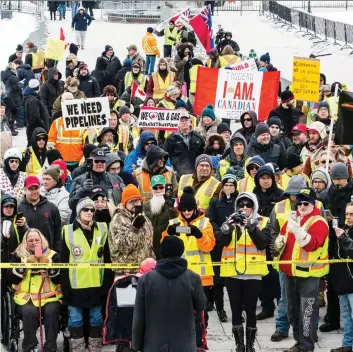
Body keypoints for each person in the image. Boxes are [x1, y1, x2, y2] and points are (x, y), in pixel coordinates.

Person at [273, 187, 329, 352]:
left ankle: (306, 345)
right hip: (290, 274)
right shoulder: (294, 219)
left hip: (308, 276)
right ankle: (299, 342)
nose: (302, 207)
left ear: (313, 204)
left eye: (306, 203)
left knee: (307, 314)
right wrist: (279, 243)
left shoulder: (318, 222)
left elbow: (311, 245)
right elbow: (279, 243)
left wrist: (298, 231)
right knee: (293, 312)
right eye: (299, 204)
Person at [162, 186, 215, 350]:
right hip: (178, 277)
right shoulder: (173, 223)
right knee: (180, 314)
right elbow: (163, 249)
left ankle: (199, 345)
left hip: (201, 278)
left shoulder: (205, 222)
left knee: (201, 315)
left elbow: (209, 246)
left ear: (195, 208)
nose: (186, 212)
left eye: (189, 209)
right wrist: (168, 235)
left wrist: (199, 235)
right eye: (183, 209)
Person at [132, 235, 207, 352]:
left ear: (161, 252)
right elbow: (201, 305)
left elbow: (138, 316)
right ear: (181, 251)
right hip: (184, 344)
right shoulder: (193, 278)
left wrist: (136, 344)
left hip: (153, 344)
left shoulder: (145, 280)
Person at [220, 192, 271, 351]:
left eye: (248, 205)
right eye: (241, 205)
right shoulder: (231, 220)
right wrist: (226, 229)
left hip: (253, 273)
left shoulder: (263, 221)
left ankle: (250, 346)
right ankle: (239, 345)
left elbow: (263, 243)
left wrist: (252, 228)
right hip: (232, 273)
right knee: (235, 310)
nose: (244, 208)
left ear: (254, 206)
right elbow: (220, 243)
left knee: (250, 310)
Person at [60, 197, 110, 352]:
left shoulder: (102, 228)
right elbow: (63, 263)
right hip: (76, 285)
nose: (89, 212)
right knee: (75, 319)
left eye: (92, 210)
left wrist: (106, 284)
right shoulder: (67, 231)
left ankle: (95, 348)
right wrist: (65, 287)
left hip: (97, 283)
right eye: (85, 209)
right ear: (78, 212)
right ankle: (78, 349)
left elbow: (108, 259)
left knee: (96, 318)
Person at [8, 228, 62, 352]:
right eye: (30, 240)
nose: (34, 242)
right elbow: (9, 278)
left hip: (49, 296)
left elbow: (60, 278)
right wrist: (25, 266)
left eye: (37, 239)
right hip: (26, 297)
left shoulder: (52, 255)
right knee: (29, 312)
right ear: (25, 242)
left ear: (42, 240)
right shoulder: (18, 255)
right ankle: (30, 346)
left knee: (52, 311)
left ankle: (50, 347)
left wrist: (49, 266)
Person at [252, 165, 283, 321]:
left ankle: (282, 306)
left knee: (276, 276)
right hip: (259, 239)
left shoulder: (280, 195)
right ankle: (267, 307)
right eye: (263, 178)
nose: (265, 181)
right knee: (264, 276)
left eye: (268, 178)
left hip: (276, 240)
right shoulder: (253, 195)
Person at [208, 173, 238, 322]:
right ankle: (220, 309)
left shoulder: (238, 202)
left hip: (234, 244)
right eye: (226, 185)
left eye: (231, 185)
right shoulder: (215, 201)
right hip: (219, 243)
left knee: (233, 279)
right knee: (218, 279)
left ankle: (237, 309)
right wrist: (219, 231)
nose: (228, 188)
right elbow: (211, 220)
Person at [109, 184, 155, 275]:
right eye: (131, 201)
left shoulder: (143, 216)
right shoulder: (118, 219)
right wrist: (135, 229)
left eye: (137, 201)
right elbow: (122, 247)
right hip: (127, 272)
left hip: (145, 270)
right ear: (124, 203)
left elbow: (149, 243)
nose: (135, 204)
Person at [69, 148, 125, 215]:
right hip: (89, 221)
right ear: (90, 162)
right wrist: (82, 190)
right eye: (97, 161)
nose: (100, 163)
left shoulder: (116, 179)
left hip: (112, 220)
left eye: (102, 161)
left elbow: (125, 200)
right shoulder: (79, 180)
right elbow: (71, 205)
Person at [330, 202, 353, 352]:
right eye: (347, 214)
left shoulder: (344, 234)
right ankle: (347, 344)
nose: (349, 217)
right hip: (342, 281)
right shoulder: (343, 230)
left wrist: (344, 238)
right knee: (346, 316)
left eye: (352, 214)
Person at [18, 176, 62, 253]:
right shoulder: (19, 208)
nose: (34, 191)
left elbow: (57, 233)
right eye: (31, 189)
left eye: (36, 188)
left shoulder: (51, 207)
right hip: (26, 255)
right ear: (25, 189)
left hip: (47, 253)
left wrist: (56, 253)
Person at [48, 93, 86, 170]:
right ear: (62, 103)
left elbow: (86, 141)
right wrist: (55, 159)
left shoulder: (82, 122)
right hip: (60, 162)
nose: (69, 102)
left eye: (71, 100)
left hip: (78, 161)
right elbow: (50, 141)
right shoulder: (56, 122)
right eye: (66, 100)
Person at [142, 175, 178, 259]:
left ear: (165, 188)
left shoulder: (173, 205)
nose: (158, 190)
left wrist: (171, 208)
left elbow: (178, 225)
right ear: (151, 190)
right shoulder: (145, 206)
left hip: (167, 249)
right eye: (155, 188)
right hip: (149, 250)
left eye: (161, 187)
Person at [162, 111, 205, 177]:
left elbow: (203, 155)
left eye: (186, 120)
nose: (184, 122)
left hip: (195, 174)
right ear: (178, 123)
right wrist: (172, 170)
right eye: (182, 121)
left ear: (190, 122)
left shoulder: (198, 137)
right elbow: (164, 157)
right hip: (178, 175)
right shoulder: (170, 139)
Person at [1, 194, 29, 264]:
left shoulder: (21, 220)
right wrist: (4, 239)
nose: (9, 209)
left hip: (17, 259)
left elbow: (28, 238)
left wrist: (23, 227)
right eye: (6, 206)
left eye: (11, 206)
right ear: (1, 207)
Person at [23, 79, 50, 145]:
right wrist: (45, 128)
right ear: (38, 87)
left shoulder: (32, 98)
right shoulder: (33, 100)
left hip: (35, 131)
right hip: (37, 132)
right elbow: (35, 118)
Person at [1, 62, 22, 130]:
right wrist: (21, 85)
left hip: (9, 95)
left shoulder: (5, 75)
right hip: (15, 97)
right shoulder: (13, 76)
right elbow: (17, 87)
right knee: (15, 112)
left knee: (9, 112)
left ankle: (9, 126)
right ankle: (11, 127)